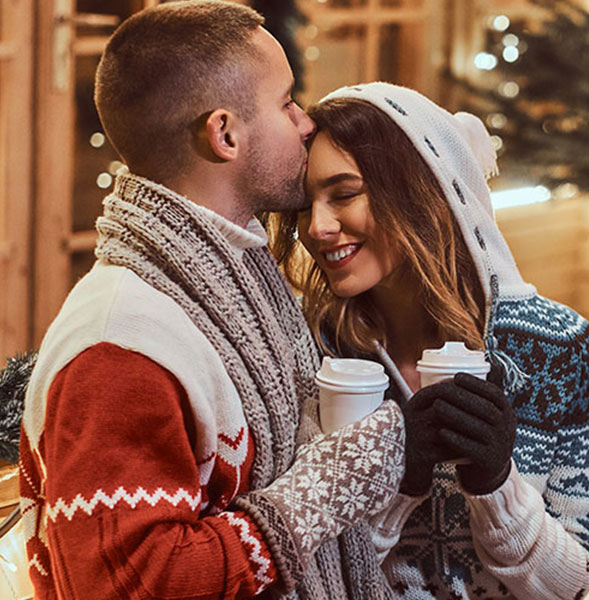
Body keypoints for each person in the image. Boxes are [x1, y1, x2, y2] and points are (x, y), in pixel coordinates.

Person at [18, 4, 406, 599]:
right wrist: (327, 488)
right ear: (224, 133)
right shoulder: (121, 344)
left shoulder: (245, 285)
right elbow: (127, 585)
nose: (305, 123)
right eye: (285, 102)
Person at [272, 81, 589, 599]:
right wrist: (399, 480)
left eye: (345, 194)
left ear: (420, 190)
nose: (316, 227)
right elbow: (305, 582)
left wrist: (496, 486)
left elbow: (581, 584)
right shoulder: (313, 351)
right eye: (305, 204)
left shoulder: (557, 348)